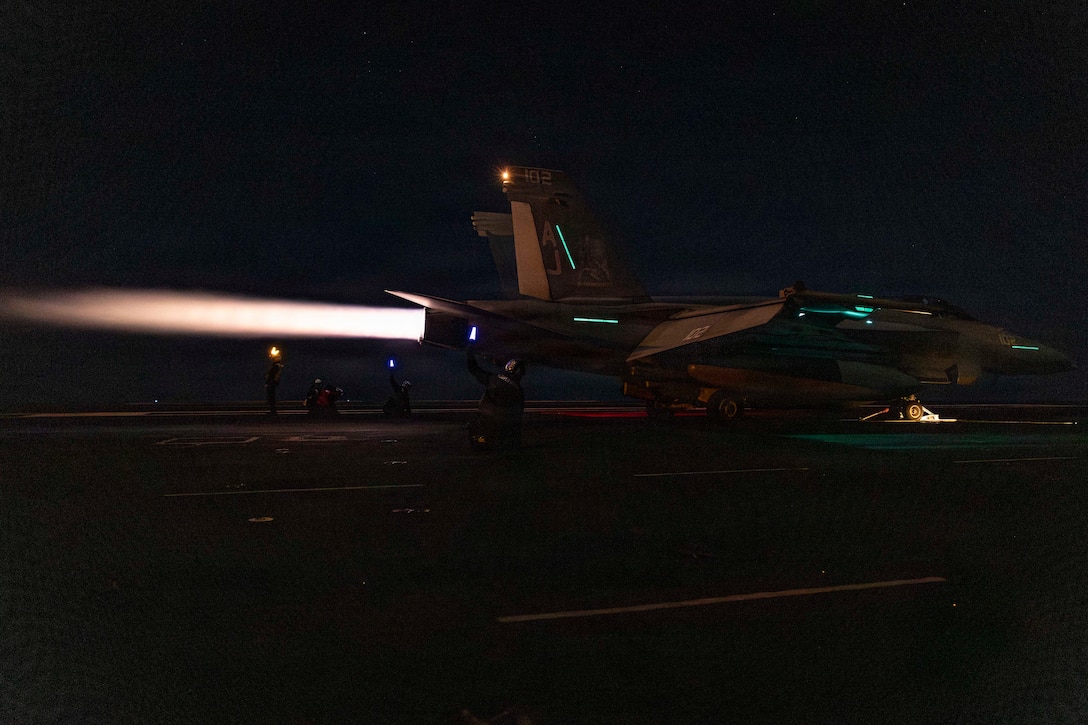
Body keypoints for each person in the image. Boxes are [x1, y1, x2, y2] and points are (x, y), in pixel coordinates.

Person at [467, 350, 525, 451]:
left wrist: (469, 355)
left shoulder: (494, 379)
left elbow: (474, 369)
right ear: (519, 372)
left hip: (484, 421)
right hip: (499, 428)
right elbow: (517, 417)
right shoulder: (518, 392)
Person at [264, 347, 284, 415]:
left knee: (271, 396)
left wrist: (267, 382)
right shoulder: (278, 366)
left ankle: (273, 411)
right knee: (271, 396)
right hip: (273, 383)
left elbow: (271, 375)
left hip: (272, 383)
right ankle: (273, 410)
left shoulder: (276, 367)